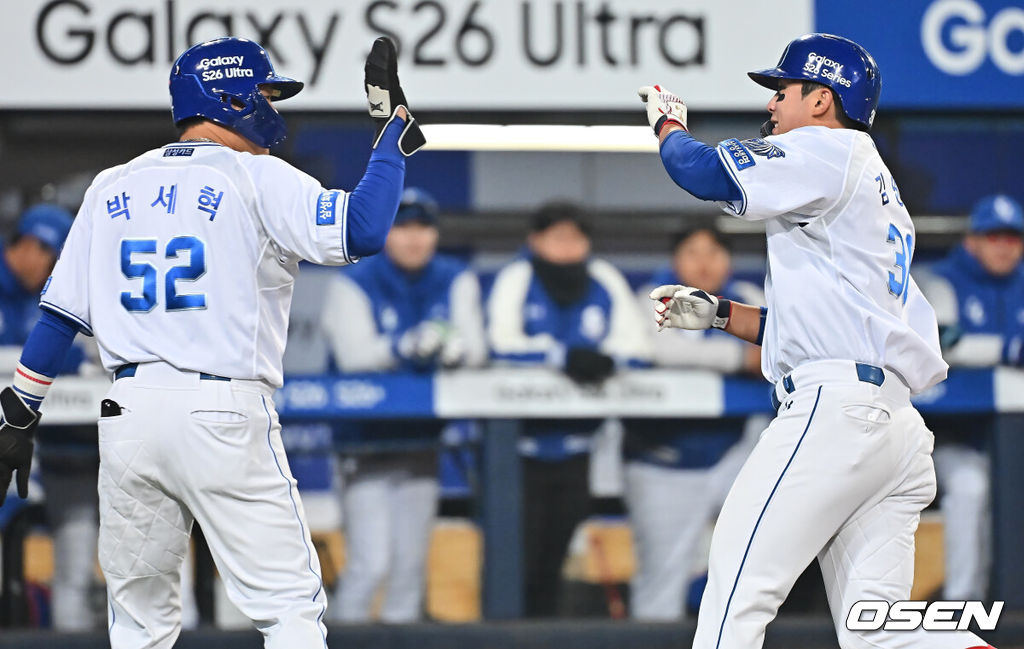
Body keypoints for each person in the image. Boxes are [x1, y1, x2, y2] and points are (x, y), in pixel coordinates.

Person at [0, 36, 422, 648]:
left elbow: (59, 319)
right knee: (289, 610)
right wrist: (391, 136)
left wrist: (18, 415)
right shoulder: (255, 175)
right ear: (232, 99)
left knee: (139, 624)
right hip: (221, 410)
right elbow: (363, 229)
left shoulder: (111, 184)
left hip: (128, 415)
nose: (272, 108)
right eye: (265, 94)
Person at [638, 33, 991, 649]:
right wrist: (723, 315)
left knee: (734, 598)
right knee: (878, 636)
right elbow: (827, 330)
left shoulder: (827, 148)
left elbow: (701, 171)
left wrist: (669, 125)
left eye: (784, 90)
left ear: (822, 99)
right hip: (890, 425)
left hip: (836, 415)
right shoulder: (872, 183)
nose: (772, 103)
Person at [320, 187, 487, 622]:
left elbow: (476, 348)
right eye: (402, 227)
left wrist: (455, 352)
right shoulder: (355, 279)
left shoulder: (453, 275)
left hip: (419, 444)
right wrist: (405, 346)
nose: (414, 238)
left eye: (423, 227)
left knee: (409, 570)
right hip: (363, 445)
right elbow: (354, 357)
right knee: (369, 566)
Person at [487, 203, 649, 617]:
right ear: (535, 241)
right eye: (556, 237)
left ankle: (541, 637)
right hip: (515, 453)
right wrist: (560, 356)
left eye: (575, 237)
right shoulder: (517, 277)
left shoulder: (604, 277)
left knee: (553, 561)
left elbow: (635, 347)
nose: (567, 246)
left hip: (578, 449)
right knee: (513, 562)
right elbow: (500, 346)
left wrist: (603, 360)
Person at [622, 223, 764, 621]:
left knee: (758, 571)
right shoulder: (651, 298)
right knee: (660, 590)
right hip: (664, 459)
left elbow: (778, 346)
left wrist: (750, 358)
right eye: (693, 253)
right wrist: (738, 359)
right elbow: (661, 351)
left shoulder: (748, 297)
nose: (705, 263)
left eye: (714, 253)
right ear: (675, 258)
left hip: (735, 453)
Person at [918, 194, 1024, 601]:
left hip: (1010, 436)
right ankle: (964, 605)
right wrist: (1008, 349)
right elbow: (943, 342)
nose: (1004, 247)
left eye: (1012, 238)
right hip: (950, 436)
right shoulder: (938, 280)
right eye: (993, 236)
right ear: (971, 241)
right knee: (970, 486)